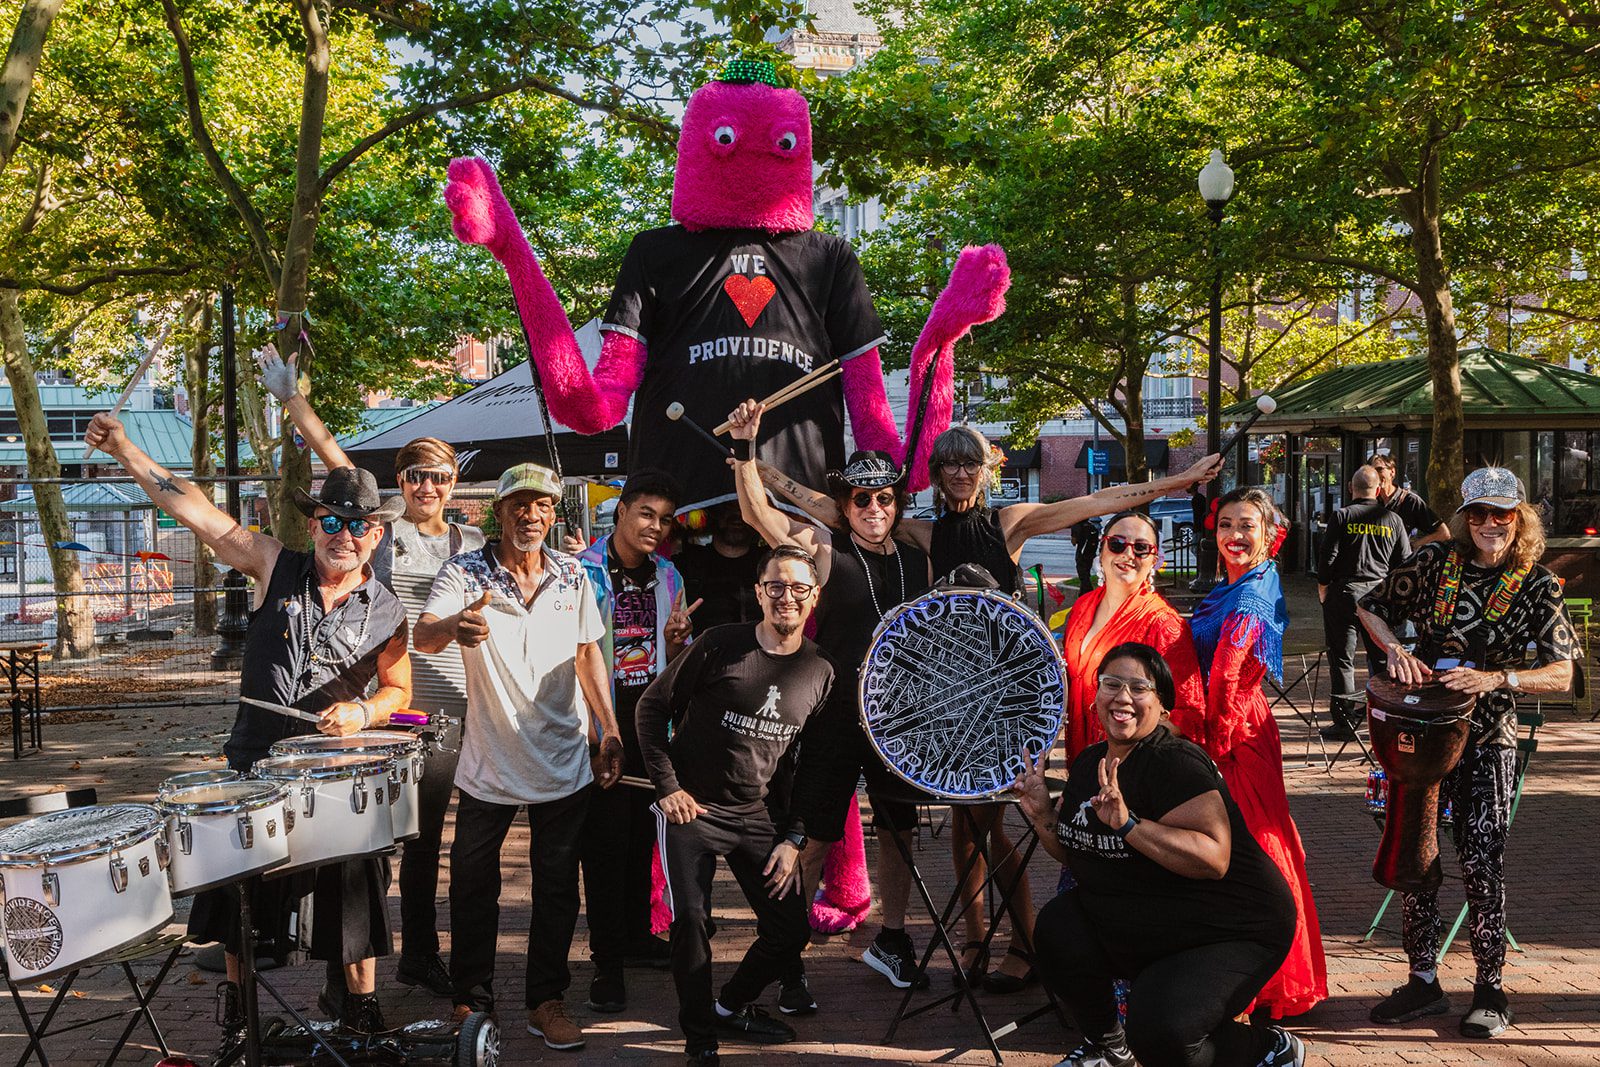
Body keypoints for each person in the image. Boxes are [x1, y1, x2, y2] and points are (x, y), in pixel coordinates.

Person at [764, 424, 1222, 992]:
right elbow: (837, 509)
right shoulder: (920, 532)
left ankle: (1025, 944)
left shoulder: (1011, 522)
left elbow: (1097, 500)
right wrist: (763, 472)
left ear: (988, 468)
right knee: (965, 828)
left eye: (970, 463)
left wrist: (1178, 479)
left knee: (995, 827)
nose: (960, 473)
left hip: (1004, 702)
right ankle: (977, 938)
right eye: (949, 464)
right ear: (936, 473)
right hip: (951, 701)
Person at [83, 413, 411, 1044]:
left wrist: (363, 712)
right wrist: (126, 448)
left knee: (355, 885)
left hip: (334, 776)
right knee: (240, 888)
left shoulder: (389, 611)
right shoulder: (273, 565)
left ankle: (361, 1009)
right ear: (314, 524)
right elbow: (196, 509)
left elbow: (399, 690)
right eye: (332, 521)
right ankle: (238, 1007)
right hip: (254, 767)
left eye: (358, 526)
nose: (343, 535)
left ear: (375, 537)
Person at [258, 344, 485, 997]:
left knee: (425, 841)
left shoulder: (470, 544)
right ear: (401, 481)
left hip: (451, 711)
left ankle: (419, 953)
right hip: (384, 710)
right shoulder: (379, 529)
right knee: (365, 845)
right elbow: (336, 459)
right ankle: (345, 972)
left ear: (453, 482)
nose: (427, 486)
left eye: (439, 475)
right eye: (415, 474)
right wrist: (289, 393)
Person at [1357, 467, 1575, 1039]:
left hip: (1487, 741)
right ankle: (1423, 981)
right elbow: (1368, 606)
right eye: (1477, 513)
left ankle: (1489, 988)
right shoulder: (1434, 565)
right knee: (1416, 854)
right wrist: (1396, 648)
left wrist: (1497, 677)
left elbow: (1563, 674)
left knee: (1481, 861)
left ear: (1519, 519)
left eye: (1500, 514)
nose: (1487, 524)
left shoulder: (1538, 586)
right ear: (1464, 517)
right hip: (1422, 733)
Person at [1015, 642, 1306, 1067]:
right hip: (1154, 918)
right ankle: (1107, 1050)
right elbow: (1080, 852)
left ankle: (1268, 1050)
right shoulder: (1089, 764)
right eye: (1111, 684)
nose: (1123, 698)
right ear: (1095, 696)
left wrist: (1130, 824)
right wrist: (1042, 816)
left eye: (1139, 688)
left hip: (1232, 928)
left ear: (1163, 706)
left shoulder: (1176, 764)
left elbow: (1214, 858)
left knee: (1159, 1032)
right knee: (1059, 928)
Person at [415, 462, 624, 1052]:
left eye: (542, 506)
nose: (531, 516)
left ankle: (545, 1000)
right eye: (519, 506)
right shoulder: (464, 571)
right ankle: (470, 1001)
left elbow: (588, 657)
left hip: (564, 763)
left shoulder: (573, 577)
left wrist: (608, 730)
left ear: (554, 515)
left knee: (557, 888)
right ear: (498, 513)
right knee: (471, 886)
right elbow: (424, 634)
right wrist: (459, 624)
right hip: (489, 765)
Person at [726, 399, 932, 992]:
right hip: (834, 715)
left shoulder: (916, 556)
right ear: (846, 506)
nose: (874, 508)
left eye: (885, 498)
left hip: (899, 718)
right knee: (810, 836)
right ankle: (785, 956)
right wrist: (746, 451)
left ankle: (893, 940)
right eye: (862, 499)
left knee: (899, 828)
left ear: (896, 504)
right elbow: (761, 514)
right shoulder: (824, 548)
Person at [637, 546, 835, 1066]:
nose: (786, 597)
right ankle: (700, 1038)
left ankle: (730, 1006)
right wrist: (667, 787)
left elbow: (811, 766)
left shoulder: (819, 672)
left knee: (790, 929)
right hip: (691, 810)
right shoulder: (719, 644)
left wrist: (794, 838)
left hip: (757, 816)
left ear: (814, 598)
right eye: (776, 586)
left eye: (798, 588)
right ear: (759, 591)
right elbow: (651, 709)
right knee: (692, 924)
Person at [1189, 487, 1327, 1020]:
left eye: (1247, 525)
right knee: (1251, 845)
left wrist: (1213, 739)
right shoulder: (1238, 582)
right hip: (1232, 724)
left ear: (1270, 534)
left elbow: (1227, 667)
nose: (1235, 536)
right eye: (1226, 524)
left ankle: (1263, 980)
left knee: (1252, 849)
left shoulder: (1253, 588)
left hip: (1234, 733)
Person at [574, 469, 696, 1012]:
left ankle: (636, 937)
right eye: (646, 513)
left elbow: (677, 653)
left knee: (644, 838)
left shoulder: (669, 574)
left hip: (653, 722)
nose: (655, 526)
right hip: (601, 724)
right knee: (604, 843)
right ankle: (606, 963)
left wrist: (677, 642)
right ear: (620, 511)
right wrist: (599, 731)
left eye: (665, 519)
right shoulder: (582, 572)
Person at [1061, 511, 1204, 761]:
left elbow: (1188, 714)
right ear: (1102, 550)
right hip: (1082, 759)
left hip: (1131, 767)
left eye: (1141, 548)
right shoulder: (1082, 607)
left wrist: (1130, 752)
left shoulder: (1163, 624)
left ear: (1154, 560)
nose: (1128, 555)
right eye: (1117, 544)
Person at [1317, 465, 1409, 740]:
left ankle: (1344, 722)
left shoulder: (1341, 516)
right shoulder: (1393, 519)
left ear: (1350, 488)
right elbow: (1404, 564)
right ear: (1379, 489)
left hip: (1344, 593)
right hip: (1378, 598)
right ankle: (1384, 718)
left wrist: (1323, 588)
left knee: (1342, 659)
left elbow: (1327, 557)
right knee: (1382, 658)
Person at [674, 501, 764, 630]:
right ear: (712, 514)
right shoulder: (685, 565)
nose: (737, 515)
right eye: (728, 507)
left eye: (744, 507)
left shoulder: (770, 566)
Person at [1369, 453, 1449, 545]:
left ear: (1392, 472)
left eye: (1379, 469)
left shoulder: (1410, 501)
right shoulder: (1369, 501)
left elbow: (1443, 533)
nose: (1376, 475)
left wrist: (1412, 546)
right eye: (1372, 471)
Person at [1071, 517, 1100, 594]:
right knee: (1086, 573)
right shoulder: (1092, 526)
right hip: (1091, 553)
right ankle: (1083, 593)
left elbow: (1073, 542)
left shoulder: (1076, 526)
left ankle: (1088, 593)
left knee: (1083, 575)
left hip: (1082, 553)